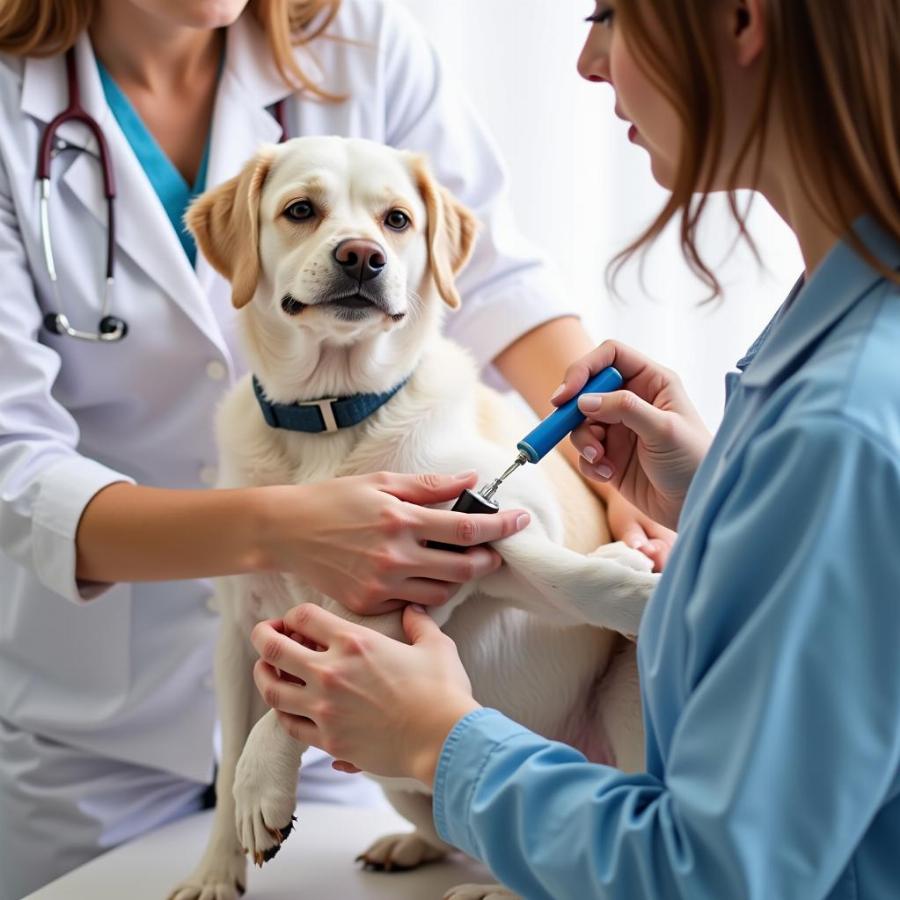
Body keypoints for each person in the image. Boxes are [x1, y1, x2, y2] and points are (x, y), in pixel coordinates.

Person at [0, 0, 675, 896]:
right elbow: (14, 458)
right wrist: (280, 530)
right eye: (306, 212)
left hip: (371, 759)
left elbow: (499, 277)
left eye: (384, 227)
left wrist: (611, 453)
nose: (357, 248)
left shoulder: (362, 39)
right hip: (97, 739)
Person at [251, 0, 900, 897]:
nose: (588, 64)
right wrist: (718, 503)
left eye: (609, 16)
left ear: (743, 20)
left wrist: (444, 745)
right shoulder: (841, 332)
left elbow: (717, 878)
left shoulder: (843, 421)